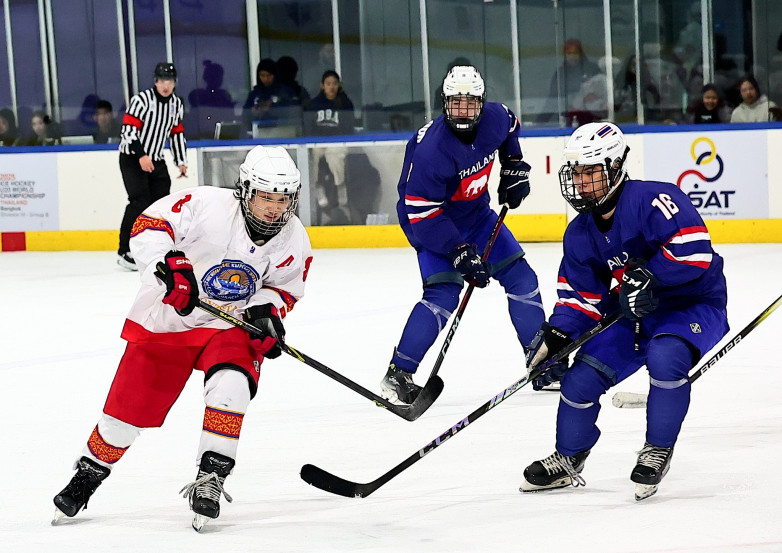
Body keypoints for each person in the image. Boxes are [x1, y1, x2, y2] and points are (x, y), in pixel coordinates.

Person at [52, 145, 313, 531]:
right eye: (265, 197)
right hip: (168, 321)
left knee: (233, 386)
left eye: (282, 199)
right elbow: (148, 226)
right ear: (245, 190)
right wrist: (170, 266)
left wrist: (266, 311)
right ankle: (88, 475)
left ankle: (211, 479)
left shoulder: (294, 238)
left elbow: (284, 288)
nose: (274, 208)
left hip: (229, 325)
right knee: (124, 416)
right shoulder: (207, 204)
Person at [519, 122, 729, 501]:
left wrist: (651, 275)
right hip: (634, 314)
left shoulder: (655, 199)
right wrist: (559, 333)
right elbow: (581, 296)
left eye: (591, 171)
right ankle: (568, 459)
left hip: (692, 304)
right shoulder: (580, 232)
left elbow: (695, 250)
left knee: (666, 357)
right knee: (580, 380)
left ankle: (657, 449)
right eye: (577, 173)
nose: (582, 182)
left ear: (615, 167)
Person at [380, 65, 545, 405]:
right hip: (431, 222)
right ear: (444, 104)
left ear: (482, 103)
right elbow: (420, 212)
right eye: (456, 104)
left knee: (522, 277)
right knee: (443, 296)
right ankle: (398, 374)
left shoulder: (496, 118)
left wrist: (513, 164)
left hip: (479, 216)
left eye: (471, 104)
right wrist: (458, 251)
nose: (464, 111)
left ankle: (542, 360)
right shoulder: (432, 150)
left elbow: (511, 124)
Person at [117, 62, 187, 271]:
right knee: (139, 201)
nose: (166, 85)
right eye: (162, 80)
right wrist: (141, 155)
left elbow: (176, 134)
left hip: (155, 159)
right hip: (132, 157)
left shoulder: (176, 104)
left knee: (161, 206)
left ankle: (155, 247)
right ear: (155, 81)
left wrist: (181, 161)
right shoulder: (141, 100)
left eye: (170, 81)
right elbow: (128, 131)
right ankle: (124, 251)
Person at [538, 39, 600, 125]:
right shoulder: (560, 73)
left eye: (575, 53)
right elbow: (552, 100)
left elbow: (603, 93)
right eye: (569, 53)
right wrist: (539, 122)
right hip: (569, 119)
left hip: (591, 119)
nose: (572, 56)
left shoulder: (592, 69)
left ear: (580, 54)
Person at [242, 58, 294, 134]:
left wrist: (271, 108)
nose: (266, 79)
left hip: (284, 131)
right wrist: (253, 112)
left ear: (275, 75)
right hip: (261, 132)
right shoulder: (255, 93)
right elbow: (245, 115)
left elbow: (293, 111)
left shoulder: (285, 91)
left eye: (269, 75)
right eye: (262, 75)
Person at [187, 60, 236, 139]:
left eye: (220, 76)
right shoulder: (198, 96)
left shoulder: (224, 95)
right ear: (207, 78)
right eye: (217, 77)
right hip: (200, 139)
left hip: (224, 138)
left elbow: (229, 120)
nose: (219, 79)